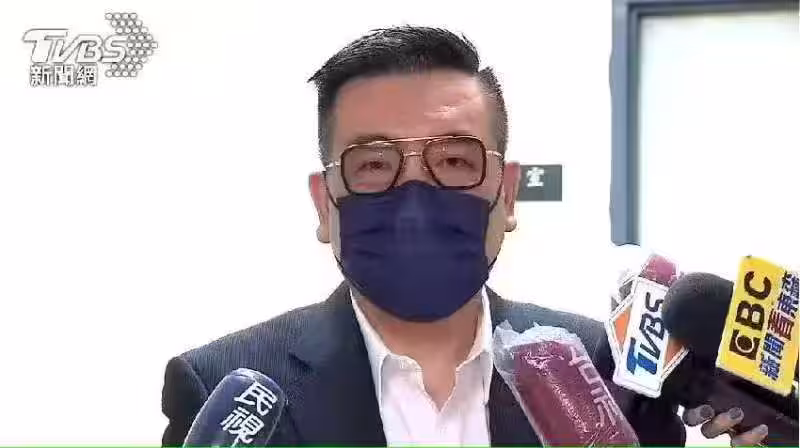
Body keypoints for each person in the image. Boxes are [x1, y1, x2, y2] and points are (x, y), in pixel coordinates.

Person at [161, 26, 769, 446]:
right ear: (325, 205)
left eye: (454, 161)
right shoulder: (220, 384)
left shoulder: (608, 372)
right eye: (373, 164)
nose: (414, 195)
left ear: (507, 194)